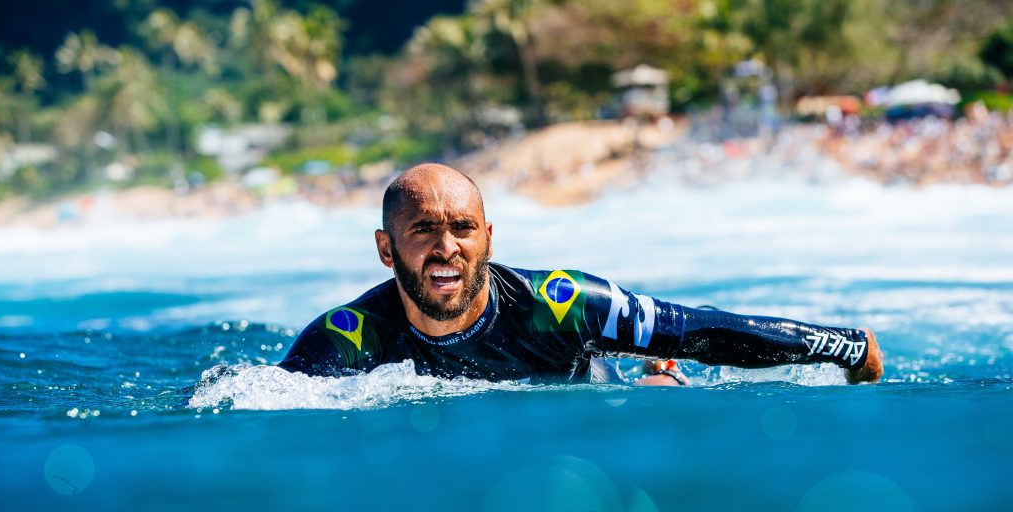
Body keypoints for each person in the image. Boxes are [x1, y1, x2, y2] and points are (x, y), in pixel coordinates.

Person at [279, 163, 883, 385]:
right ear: (387, 250)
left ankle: (658, 378)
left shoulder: (559, 303)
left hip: (591, 420)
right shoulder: (347, 337)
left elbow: (703, 330)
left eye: (463, 228)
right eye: (422, 232)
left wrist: (843, 346)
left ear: (488, 237)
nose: (447, 249)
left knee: (658, 396)